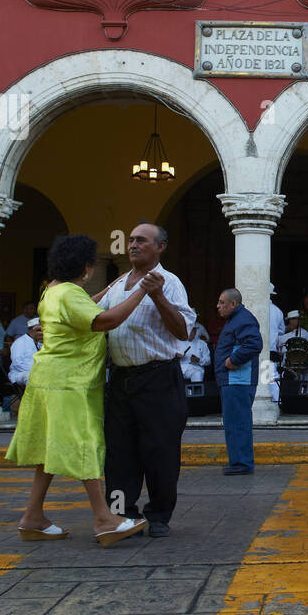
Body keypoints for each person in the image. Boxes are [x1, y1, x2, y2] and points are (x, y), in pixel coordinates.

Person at [5, 234, 151, 547]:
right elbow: (104, 320)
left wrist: (110, 289)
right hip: (70, 383)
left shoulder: (52, 291)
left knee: (48, 452)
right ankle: (103, 519)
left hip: (46, 379)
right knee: (85, 445)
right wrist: (141, 291)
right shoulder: (70, 294)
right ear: (84, 267)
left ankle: (32, 517)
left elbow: (83, 307)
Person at [91, 223, 194, 539]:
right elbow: (94, 316)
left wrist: (158, 295)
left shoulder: (171, 282)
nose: (133, 245)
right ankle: (123, 513)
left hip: (158, 379)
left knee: (160, 452)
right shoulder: (119, 282)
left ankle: (160, 515)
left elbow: (182, 330)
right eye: (131, 240)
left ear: (160, 246)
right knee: (120, 455)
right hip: (121, 380)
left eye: (141, 241)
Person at [214, 288, 262, 475]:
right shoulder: (236, 319)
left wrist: (233, 360)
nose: (218, 306)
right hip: (233, 380)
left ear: (233, 304)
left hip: (237, 381)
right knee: (234, 423)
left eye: (221, 302)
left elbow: (254, 343)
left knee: (238, 423)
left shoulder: (243, 319)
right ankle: (238, 462)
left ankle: (242, 464)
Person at [274, 310, 308, 402]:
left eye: (298, 319)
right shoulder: (281, 333)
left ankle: (305, 396)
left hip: (302, 362)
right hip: (286, 363)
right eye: (294, 319)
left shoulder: (304, 333)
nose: (297, 321)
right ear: (289, 320)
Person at [8, 318, 43, 387]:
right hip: (20, 373)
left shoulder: (39, 343)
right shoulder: (20, 342)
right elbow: (17, 363)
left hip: (38, 372)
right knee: (32, 377)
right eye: (41, 330)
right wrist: (36, 371)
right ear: (35, 329)